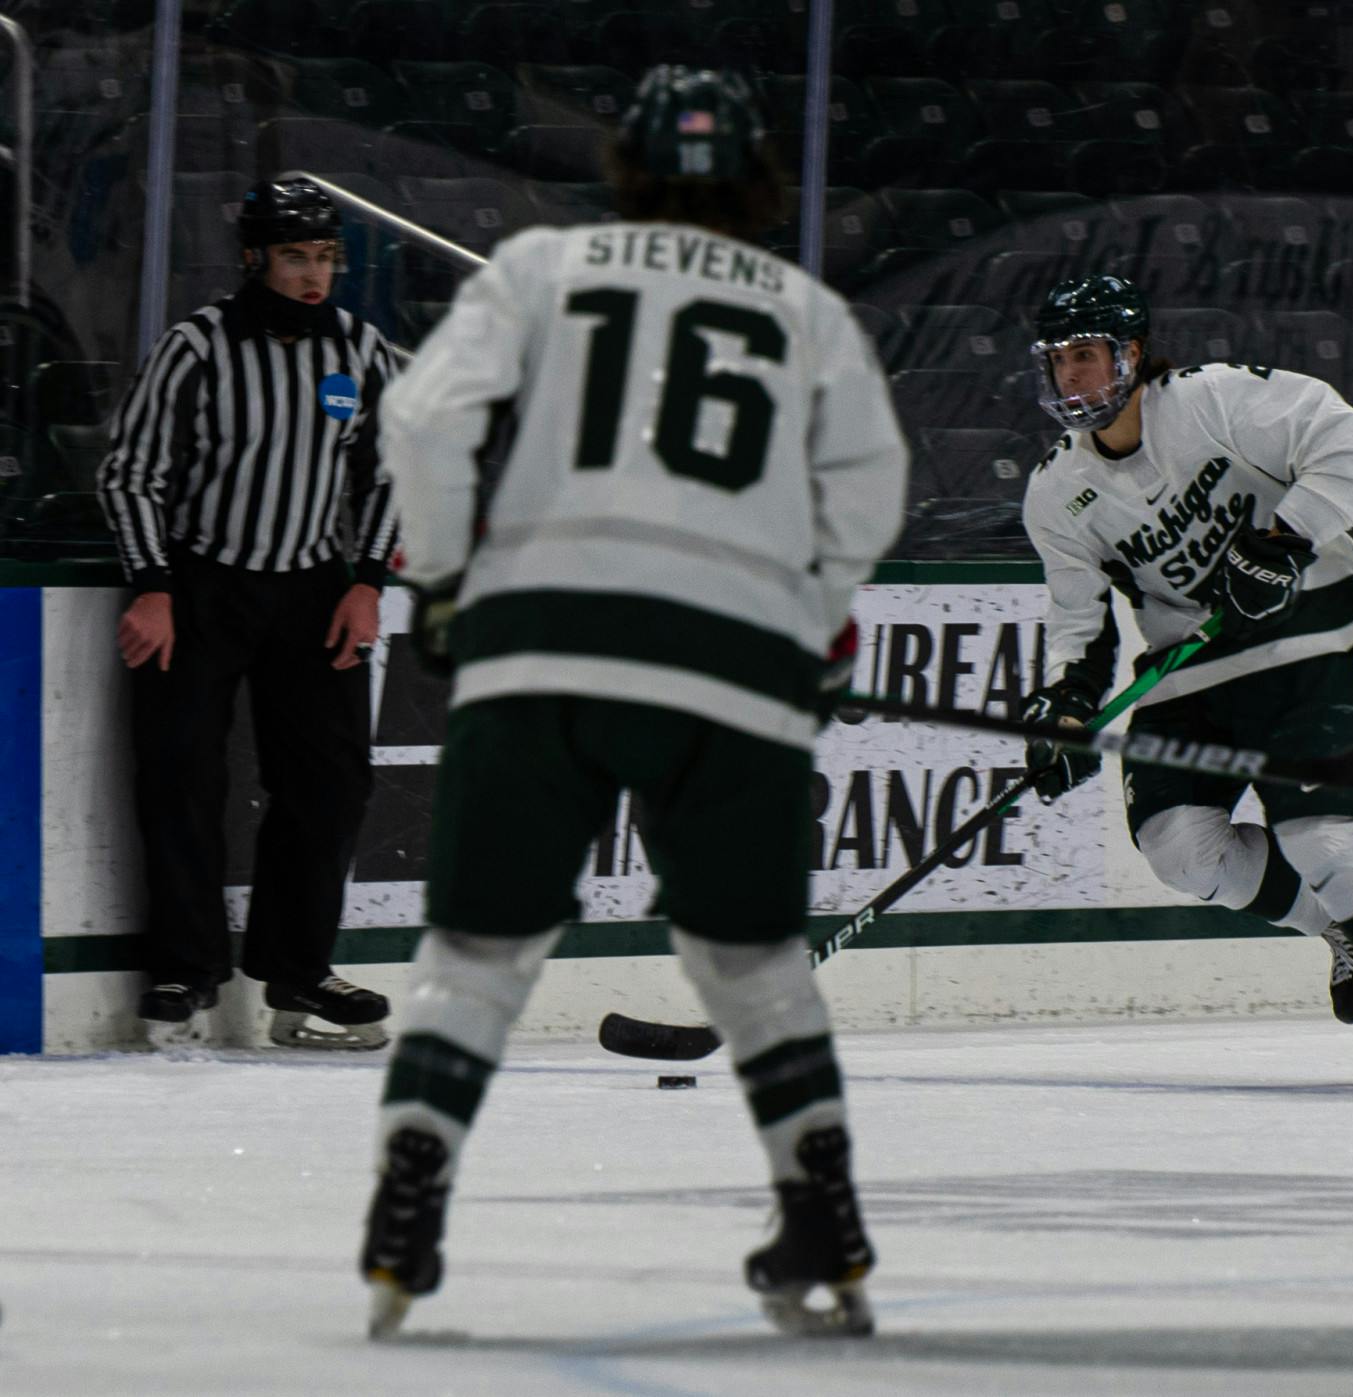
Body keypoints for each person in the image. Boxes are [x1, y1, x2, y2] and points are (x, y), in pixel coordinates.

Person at [358, 66, 908, 1339]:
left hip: (542, 639)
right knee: (754, 963)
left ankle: (406, 1206)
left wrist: (445, 578)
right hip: (736, 664)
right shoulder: (812, 312)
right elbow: (867, 491)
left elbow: (424, 420)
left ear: (628, 163)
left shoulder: (543, 266)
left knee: (478, 957)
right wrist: (810, 615)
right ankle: (823, 1217)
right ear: (756, 177)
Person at [1018, 274, 1353, 1088]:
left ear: (1130, 354)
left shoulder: (1213, 402)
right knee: (1178, 849)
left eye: (1085, 357)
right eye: (1059, 362)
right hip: (1190, 667)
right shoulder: (1058, 491)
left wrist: (1282, 541)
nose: (1072, 379)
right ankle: (1342, 931)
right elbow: (1078, 623)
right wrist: (1063, 705)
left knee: (1321, 835)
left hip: (1304, 633)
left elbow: (1352, 449)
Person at [97, 177, 399, 1051]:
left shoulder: (359, 350)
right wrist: (152, 585)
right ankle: (187, 970)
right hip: (200, 582)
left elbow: (393, 473)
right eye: (297, 257)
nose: (315, 275)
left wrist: (367, 581)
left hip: (314, 587)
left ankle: (298, 971)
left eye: (327, 258)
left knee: (332, 780)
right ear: (256, 258)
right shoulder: (197, 347)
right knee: (182, 775)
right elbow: (131, 472)